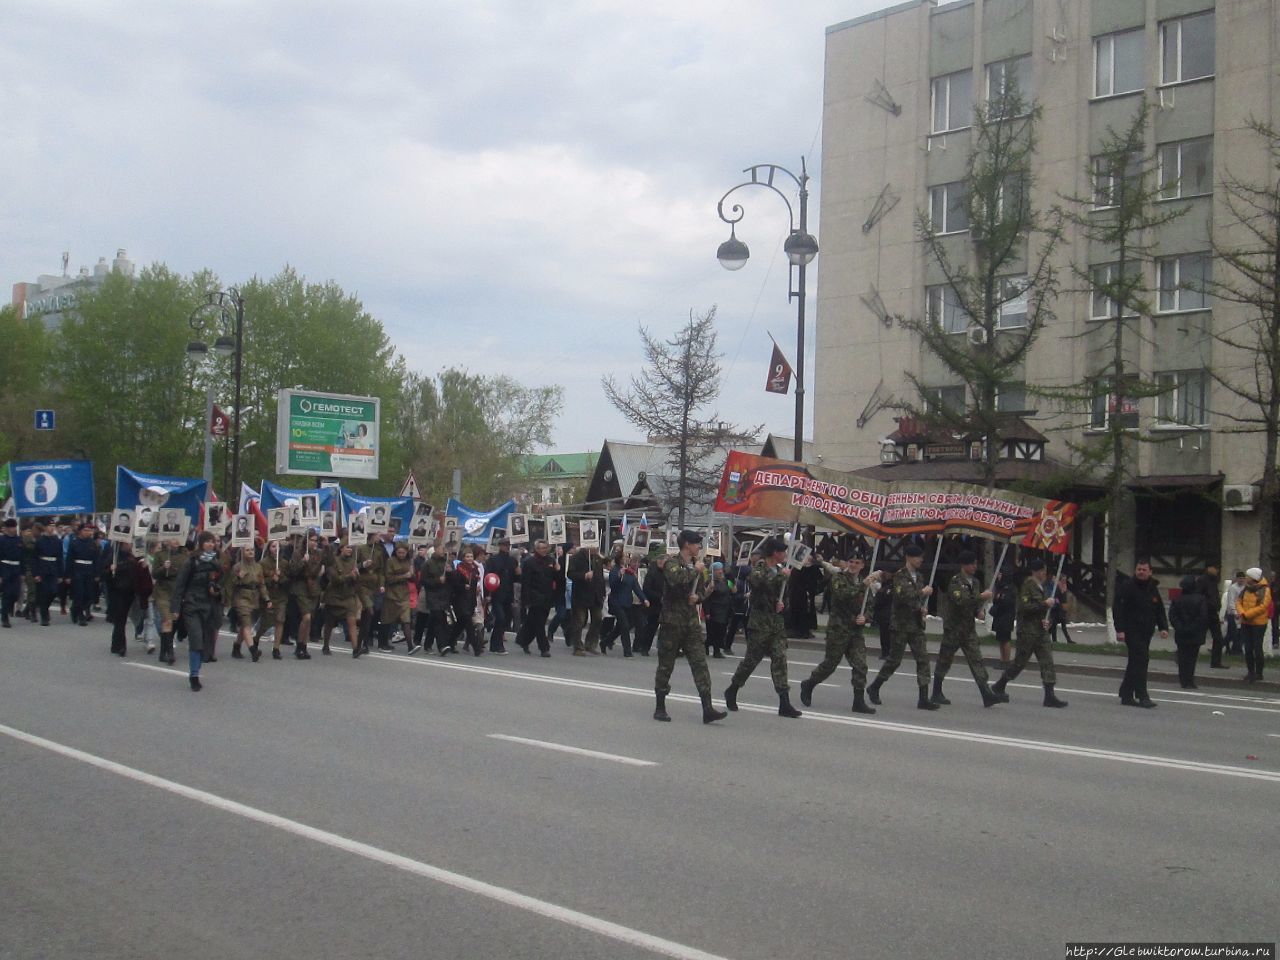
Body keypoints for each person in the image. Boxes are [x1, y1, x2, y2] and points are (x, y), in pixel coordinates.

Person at [652, 530, 727, 724]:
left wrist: (700, 596)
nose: (698, 547)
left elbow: (699, 591)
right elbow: (677, 580)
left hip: (691, 623)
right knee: (666, 665)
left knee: (700, 664)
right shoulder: (671, 563)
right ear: (686, 544)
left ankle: (707, 708)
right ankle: (660, 706)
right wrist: (696, 569)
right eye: (696, 543)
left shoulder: (697, 565)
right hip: (671, 623)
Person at [725, 536, 802, 718]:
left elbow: (783, 595)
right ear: (775, 553)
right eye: (783, 552)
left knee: (780, 659)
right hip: (760, 624)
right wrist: (779, 579)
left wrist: (782, 604)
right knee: (751, 661)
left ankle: (784, 702)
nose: (785, 555)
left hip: (775, 624)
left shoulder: (781, 570)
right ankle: (733, 688)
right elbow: (759, 583)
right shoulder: (759, 569)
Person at [800, 555, 877, 713]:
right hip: (838, 630)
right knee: (830, 665)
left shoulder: (865, 582)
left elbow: (870, 604)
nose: (853, 565)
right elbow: (842, 595)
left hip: (855, 631)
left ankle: (858, 701)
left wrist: (866, 617)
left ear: (863, 565)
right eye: (851, 561)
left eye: (857, 562)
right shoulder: (838, 578)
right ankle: (809, 684)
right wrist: (862, 585)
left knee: (860, 665)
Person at [866, 544, 937, 711]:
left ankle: (924, 698)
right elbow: (903, 596)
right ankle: (875, 686)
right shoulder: (900, 576)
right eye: (917, 556)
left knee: (923, 659)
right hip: (901, 626)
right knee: (894, 661)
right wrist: (923, 593)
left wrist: (922, 608)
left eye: (921, 557)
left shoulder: (919, 577)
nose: (920, 560)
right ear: (909, 557)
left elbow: (915, 601)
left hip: (916, 625)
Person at [932, 550, 1006, 707]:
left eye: (975, 563)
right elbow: (961, 601)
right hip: (954, 629)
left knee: (976, 660)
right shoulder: (955, 582)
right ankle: (936, 692)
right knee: (945, 660)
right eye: (972, 563)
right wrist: (981, 597)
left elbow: (972, 604)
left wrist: (979, 610)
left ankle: (986, 693)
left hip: (968, 629)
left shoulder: (975, 582)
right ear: (964, 565)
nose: (974, 566)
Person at [991, 558, 1068, 707]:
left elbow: (1045, 611)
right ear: (1036, 571)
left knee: (1047, 661)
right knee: (1020, 662)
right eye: (1042, 571)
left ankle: (1049, 695)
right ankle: (1000, 684)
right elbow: (1025, 607)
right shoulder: (1028, 585)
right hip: (1028, 631)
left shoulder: (1042, 587)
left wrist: (1048, 620)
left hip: (1040, 631)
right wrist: (1044, 604)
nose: (1044, 574)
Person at [170, 531, 225, 690]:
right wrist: (175, 607)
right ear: (201, 543)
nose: (211, 544)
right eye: (207, 541)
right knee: (196, 639)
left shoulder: (215, 561)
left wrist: (216, 588)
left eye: (212, 542)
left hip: (208, 605)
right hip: (192, 604)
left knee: (205, 641)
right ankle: (194, 675)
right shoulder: (192, 561)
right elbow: (180, 584)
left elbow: (221, 578)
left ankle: (197, 667)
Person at [1113, 559, 1169, 708]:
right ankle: (1142, 695)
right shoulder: (1127, 586)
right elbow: (1117, 608)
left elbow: (1159, 608)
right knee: (1141, 660)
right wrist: (1120, 629)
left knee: (1135, 662)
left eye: (1144, 570)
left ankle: (1126, 693)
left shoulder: (1152, 587)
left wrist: (1163, 627)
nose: (1141, 572)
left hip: (1146, 631)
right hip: (1131, 631)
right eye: (1139, 569)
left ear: (1150, 572)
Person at [515, 539, 557, 656]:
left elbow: (555, 578)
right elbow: (526, 583)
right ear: (537, 549)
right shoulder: (530, 562)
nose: (544, 550)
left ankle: (523, 640)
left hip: (547, 597)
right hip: (535, 597)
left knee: (533, 622)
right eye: (542, 548)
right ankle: (544, 648)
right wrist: (526, 600)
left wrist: (558, 570)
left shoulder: (551, 560)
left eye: (546, 548)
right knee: (539, 624)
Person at [322, 539, 362, 658]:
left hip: (348, 595)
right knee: (329, 623)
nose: (350, 550)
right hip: (334, 596)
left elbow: (358, 583)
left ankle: (355, 649)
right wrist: (349, 576)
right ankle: (325, 645)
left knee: (352, 621)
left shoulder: (353, 562)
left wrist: (357, 576)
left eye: (351, 547)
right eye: (347, 547)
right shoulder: (334, 561)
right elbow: (334, 579)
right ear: (341, 548)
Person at [1168, 575, 1209, 689]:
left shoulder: (1177, 599)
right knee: (1192, 657)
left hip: (1181, 633)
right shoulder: (1200, 599)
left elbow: (1172, 615)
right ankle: (1190, 680)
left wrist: (1179, 626)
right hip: (1195, 633)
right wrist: (1193, 627)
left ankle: (1183, 680)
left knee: (1182, 657)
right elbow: (1203, 616)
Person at [228, 546, 268, 662]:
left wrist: (266, 598)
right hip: (241, 597)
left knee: (246, 625)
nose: (250, 552)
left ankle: (236, 646)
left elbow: (262, 584)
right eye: (247, 550)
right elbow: (230, 584)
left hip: (254, 597)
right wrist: (238, 577)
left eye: (252, 550)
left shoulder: (258, 567)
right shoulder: (237, 566)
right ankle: (253, 650)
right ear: (242, 552)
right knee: (246, 624)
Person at [604, 556, 648, 657]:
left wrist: (644, 599)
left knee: (620, 627)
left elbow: (636, 588)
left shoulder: (630, 573)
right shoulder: (615, 570)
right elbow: (613, 585)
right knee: (624, 626)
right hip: (616, 603)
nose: (627, 560)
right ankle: (627, 651)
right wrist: (619, 576)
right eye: (624, 558)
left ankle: (606, 642)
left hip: (627, 603)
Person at [567, 541, 605, 656]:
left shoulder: (598, 559)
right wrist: (584, 576)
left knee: (598, 619)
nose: (596, 548)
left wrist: (602, 592)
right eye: (593, 546)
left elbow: (600, 576)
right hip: (581, 594)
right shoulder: (576, 558)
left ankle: (590, 644)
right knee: (579, 621)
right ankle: (577, 646)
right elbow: (570, 574)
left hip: (595, 595)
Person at [254, 539, 290, 659]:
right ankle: (256, 638)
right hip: (269, 596)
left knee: (280, 620)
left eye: (278, 547)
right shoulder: (263, 563)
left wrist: (280, 578)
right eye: (273, 546)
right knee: (266, 622)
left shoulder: (284, 563)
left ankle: (276, 648)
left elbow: (288, 580)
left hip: (281, 597)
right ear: (269, 548)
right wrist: (271, 579)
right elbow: (260, 582)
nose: (276, 549)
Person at [1235, 567, 1271, 683]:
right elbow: (1238, 601)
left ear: (1253, 578)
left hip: (1258, 623)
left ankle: (1259, 673)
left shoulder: (1264, 590)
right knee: (1248, 648)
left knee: (1257, 647)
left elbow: (1263, 606)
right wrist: (1242, 613)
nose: (1246, 578)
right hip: (1246, 622)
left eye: (1248, 576)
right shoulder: (1246, 589)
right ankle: (1250, 672)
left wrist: (1247, 614)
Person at [485, 538, 519, 655]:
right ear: (499, 546)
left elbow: (516, 579)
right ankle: (499, 645)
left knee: (504, 621)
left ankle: (494, 644)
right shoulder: (493, 560)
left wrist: (518, 573)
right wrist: (487, 594)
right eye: (504, 545)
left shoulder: (512, 561)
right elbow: (488, 576)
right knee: (500, 618)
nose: (506, 547)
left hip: (508, 593)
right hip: (496, 593)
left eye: (508, 545)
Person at [66, 522, 102, 627]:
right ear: (80, 531)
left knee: (89, 594)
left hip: (89, 570)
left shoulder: (93, 544)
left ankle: (75, 608)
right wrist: (68, 575)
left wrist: (97, 573)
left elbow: (97, 559)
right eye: (86, 530)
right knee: (79, 593)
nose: (88, 532)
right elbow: (69, 560)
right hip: (78, 570)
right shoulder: (74, 543)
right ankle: (80, 615)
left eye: (90, 531)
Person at [32, 520, 64, 626]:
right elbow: (35, 558)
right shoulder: (40, 540)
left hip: (54, 568)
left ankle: (44, 608)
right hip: (43, 568)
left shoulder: (57, 540)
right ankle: (44, 616)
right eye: (50, 526)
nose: (52, 528)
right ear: (45, 527)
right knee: (44, 593)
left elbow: (60, 557)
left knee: (53, 592)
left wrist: (60, 574)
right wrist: (36, 574)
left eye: (53, 526)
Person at [634, 552, 665, 656]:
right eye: (660, 560)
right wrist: (659, 597)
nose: (661, 562)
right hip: (653, 605)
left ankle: (665, 649)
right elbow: (647, 590)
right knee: (651, 627)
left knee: (667, 629)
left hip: (666, 606)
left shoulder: (668, 574)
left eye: (663, 560)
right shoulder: (652, 573)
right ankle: (644, 647)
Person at [700, 561, 731, 659]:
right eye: (717, 570)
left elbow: (733, 590)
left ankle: (709, 645)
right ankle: (716, 651)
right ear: (713, 571)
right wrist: (707, 612)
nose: (720, 572)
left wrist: (732, 581)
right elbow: (706, 598)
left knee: (721, 631)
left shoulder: (725, 581)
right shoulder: (710, 582)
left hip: (724, 610)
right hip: (714, 610)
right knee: (714, 632)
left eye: (721, 569)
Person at [0, 518, 23, 628]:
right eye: (12, 527)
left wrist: (22, 572)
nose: (14, 529)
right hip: (5, 567)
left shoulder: (19, 540)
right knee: (7, 593)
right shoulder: (2, 540)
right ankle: (5, 618)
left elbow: (23, 557)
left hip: (16, 568)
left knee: (16, 593)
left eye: (15, 527)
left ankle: (7, 608)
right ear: (7, 528)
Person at [989, 570, 1016, 664]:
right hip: (999, 617)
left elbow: (1006, 602)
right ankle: (1002, 659)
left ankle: (1007, 661)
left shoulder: (1009, 588)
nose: (998, 576)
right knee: (1000, 640)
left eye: (1000, 574)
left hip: (1006, 617)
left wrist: (999, 600)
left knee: (1005, 640)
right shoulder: (999, 587)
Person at [1222, 571, 1246, 656]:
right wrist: (1234, 612)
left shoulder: (1245, 587)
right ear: (1236, 579)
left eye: (1243, 579)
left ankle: (1233, 649)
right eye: (1240, 579)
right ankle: (1234, 649)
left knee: (1238, 632)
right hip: (1232, 613)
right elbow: (1231, 601)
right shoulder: (1233, 588)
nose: (1241, 580)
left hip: (1241, 612)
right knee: (1233, 633)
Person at [1047, 576, 1075, 644]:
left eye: (1065, 580)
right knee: (1054, 625)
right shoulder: (1057, 587)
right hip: (1056, 609)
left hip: (1062, 609)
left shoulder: (1064, 587)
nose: (1064, 581)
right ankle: (1053, 640)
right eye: (1063, 580)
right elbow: (1055, 597)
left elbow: (1064, 599)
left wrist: (1065, 607)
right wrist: (1057, 603)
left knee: (1063, 625)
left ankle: (1068, 640)